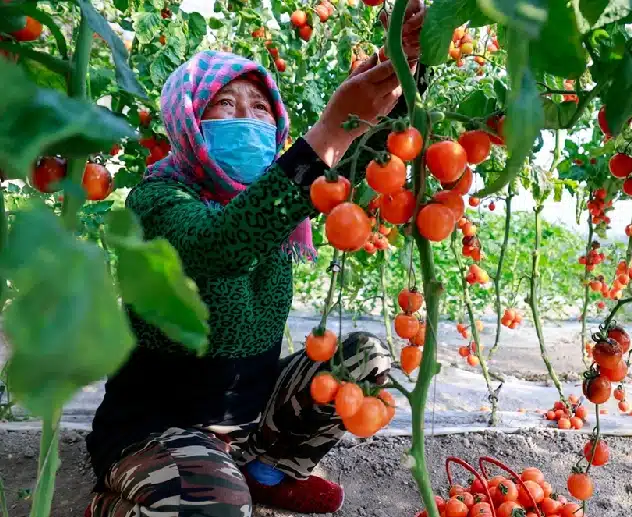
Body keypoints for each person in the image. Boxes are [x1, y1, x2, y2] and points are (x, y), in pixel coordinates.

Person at [85, 4, 425, 516]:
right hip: (154, 427)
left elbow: (372, 149)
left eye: (260, 108)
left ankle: (267, 469)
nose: (247, 119)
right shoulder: (157, 202)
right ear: (187, 121)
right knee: (216, 505)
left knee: (363, 360)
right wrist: (328, 130)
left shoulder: (281, 194)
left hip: (248, 415)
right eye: (225, 106)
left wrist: (404, 61)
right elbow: (218, 246)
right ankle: (120, 501)